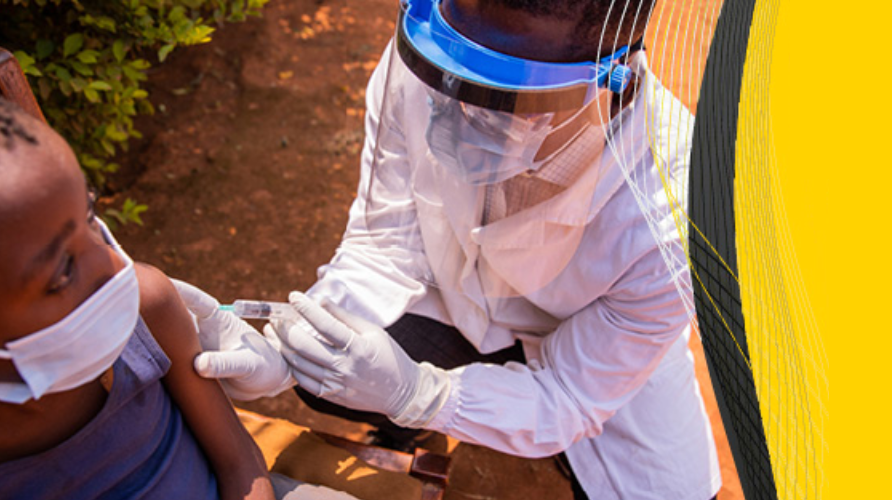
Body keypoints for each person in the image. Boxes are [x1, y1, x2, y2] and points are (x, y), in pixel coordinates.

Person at [179, 0, 721, 499]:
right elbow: (381, 243)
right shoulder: (426, 67)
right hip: (456, 295)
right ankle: (402, 425)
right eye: (455, 79)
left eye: (505, 99)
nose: (459, 110)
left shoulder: (674, 217)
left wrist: (420, 394)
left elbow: (572, 396)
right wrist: (288, 352)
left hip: (593, 348)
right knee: (333, 375)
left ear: (612, 81)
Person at [0, 77, 276, 500]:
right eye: (61, 272)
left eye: (88, 214)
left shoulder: (147, 309)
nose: (114, 265)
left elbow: (239, 463)